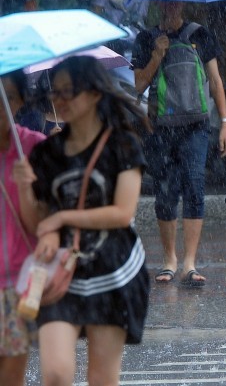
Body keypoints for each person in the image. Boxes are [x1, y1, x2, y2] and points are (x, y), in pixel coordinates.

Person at [12, 56, 151, 385]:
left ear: (94, 94)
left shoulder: (121, 144)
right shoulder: (47, 153)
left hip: (115, 271)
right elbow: (38, 224)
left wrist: (62, 216)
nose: (58, 100)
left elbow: (122, 213)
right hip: (61, 273)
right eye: (55, 92)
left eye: (68, 92)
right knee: (57, 374)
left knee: (102, 378)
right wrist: (24, 189)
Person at [132, 0, 226, 286]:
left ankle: (189, 262)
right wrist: (157, 53)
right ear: (156, 5)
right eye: (165, 2)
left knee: (195, 186)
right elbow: (138, 85)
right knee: (165, 191)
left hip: (196, 127)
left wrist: (224, 124)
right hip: (161, 128)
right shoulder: (146, 38)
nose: (170, 7)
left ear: (182, 3)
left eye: (175, 2)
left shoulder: (200, 34)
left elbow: (215, 81)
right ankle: (169, 260)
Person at [0, 69, 46, 386]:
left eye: (7, 96)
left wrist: (27, 187)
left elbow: (42, 227)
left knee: (11, 374)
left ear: (20, 102)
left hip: (23, 282)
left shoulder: (35, 149)